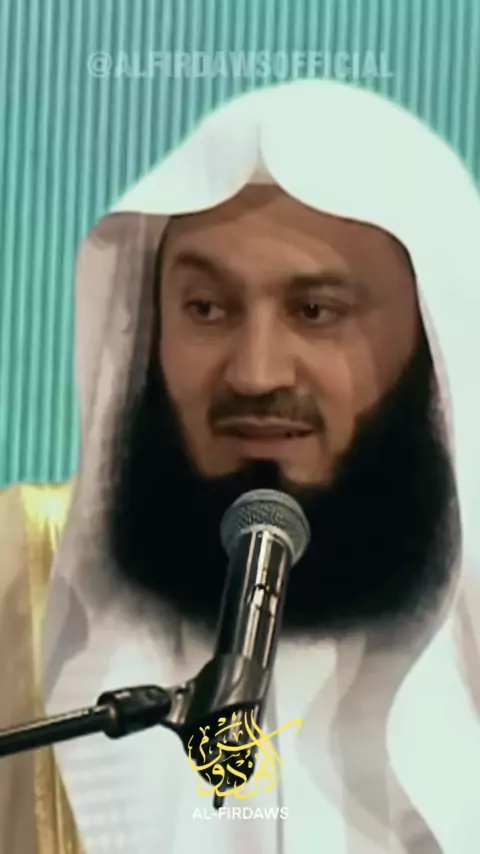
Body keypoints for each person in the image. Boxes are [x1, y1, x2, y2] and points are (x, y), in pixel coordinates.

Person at [1, 78, 480, 854]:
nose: (255, 373)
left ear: (432, 350)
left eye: (315, 311)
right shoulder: (15, 578)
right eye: (207, 309)